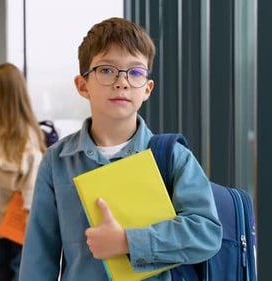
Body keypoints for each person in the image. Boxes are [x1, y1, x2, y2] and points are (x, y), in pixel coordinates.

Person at [19, 17, 222, 281]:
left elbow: (206, 233)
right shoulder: (57, 162)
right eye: (106, 70)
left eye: (135, 72)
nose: (122, 82)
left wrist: (128, 242)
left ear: (147, 89)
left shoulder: (173, 157)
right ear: (82, 85)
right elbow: (38, 257)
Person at [0, 62, 46, 281]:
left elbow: (32, 182)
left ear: (9, 91)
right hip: (1, 216)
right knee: (3, 268)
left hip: (18, 220)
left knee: (14, 270)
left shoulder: (25, 136)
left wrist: (27, 218)